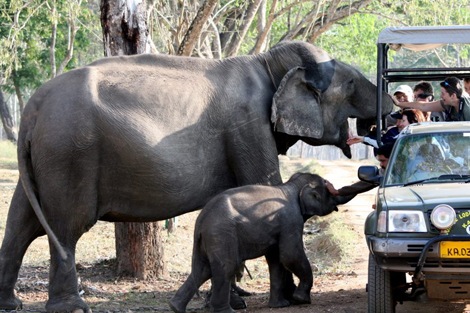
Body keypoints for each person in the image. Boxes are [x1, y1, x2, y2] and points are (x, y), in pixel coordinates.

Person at [325, 143, 393, 199]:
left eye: (383, 161)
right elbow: (366, 183)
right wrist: (338, 192)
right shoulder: (386, 171)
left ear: (395, 159)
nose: (381, 165)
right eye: (380, 161)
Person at [395, 77, 470, 121]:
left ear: (453, 96)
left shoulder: (467, 110)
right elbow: (424, 106)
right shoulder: (447, 104)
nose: (441, 96)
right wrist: (399, 104)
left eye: (443, 94)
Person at [347, 108, 426, 149]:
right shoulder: (401, 137)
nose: (400, 124)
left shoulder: (424, 139)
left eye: (403, 121)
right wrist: (363, 139)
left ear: (413, 122)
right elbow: (384, 144)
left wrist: (364, 139)